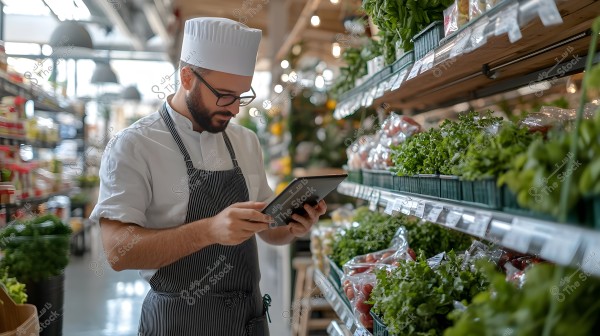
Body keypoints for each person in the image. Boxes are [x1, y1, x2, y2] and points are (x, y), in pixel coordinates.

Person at [90, 17, 327, 335]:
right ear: (187, 77)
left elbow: (269, 230)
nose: (235, 109)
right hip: (178, 323)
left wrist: (293, 226)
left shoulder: (245, 141)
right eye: (225, 95)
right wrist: (209, 231)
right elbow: (117, 252)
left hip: (248, 321)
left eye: (241, 96)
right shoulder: (133, 145)